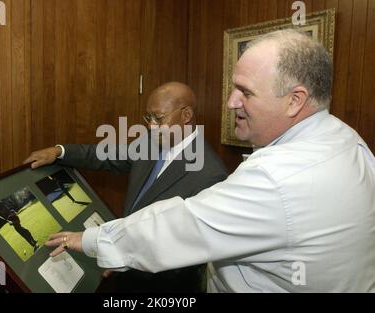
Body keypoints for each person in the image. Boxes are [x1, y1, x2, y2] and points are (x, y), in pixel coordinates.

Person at [44, 29, 375, 292]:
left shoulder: (272, 176)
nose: (231, 102)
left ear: (295, 100)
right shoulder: (346, 140)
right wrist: (59, 151)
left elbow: (180, 226)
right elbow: (111, 156)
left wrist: (90, 240)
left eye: (245, 92)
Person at [24, 82, 228, 292]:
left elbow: (183, 248)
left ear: (186, 116)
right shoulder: (152, 141)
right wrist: (59, 151)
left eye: (159, 118)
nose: (151, 126)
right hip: (127, 271)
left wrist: (121, 254)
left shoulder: (210, 175)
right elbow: (107, 156)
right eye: (148, 118)